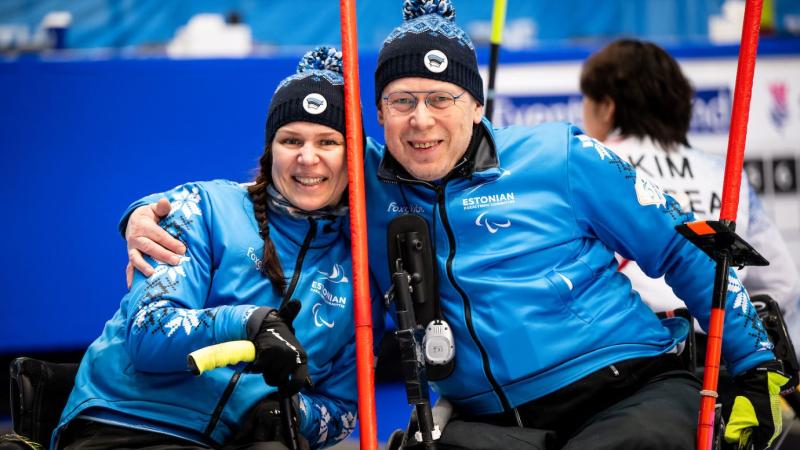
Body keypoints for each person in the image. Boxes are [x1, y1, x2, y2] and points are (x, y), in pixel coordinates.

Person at [123, 1, 790, 448]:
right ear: (379, 115)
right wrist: (139, 214)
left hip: (622, 393)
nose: (421, 120)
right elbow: (277, 185)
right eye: (402, 101)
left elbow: (688, 248)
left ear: (476, 104)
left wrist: (757, 363)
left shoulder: (561, 155)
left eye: (441, 99)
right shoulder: (369, 184)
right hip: (488, 424)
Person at [53, 47, 363, 450]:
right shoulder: (202, 207)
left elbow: (341, 411)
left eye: (328, 141)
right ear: (271, 151)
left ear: (351, 155)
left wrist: (287, 411)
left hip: (231, 439)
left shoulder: (355, 266)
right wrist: (249, 323)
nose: (307, 158)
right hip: (129, 421)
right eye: (291, 140)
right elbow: (149, 334)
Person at [579, 38, 800, 361]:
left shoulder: (592, 165)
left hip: (632, 365)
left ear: (607, 107)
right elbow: (782, 284)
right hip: (727, 361)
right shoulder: (723, 174)